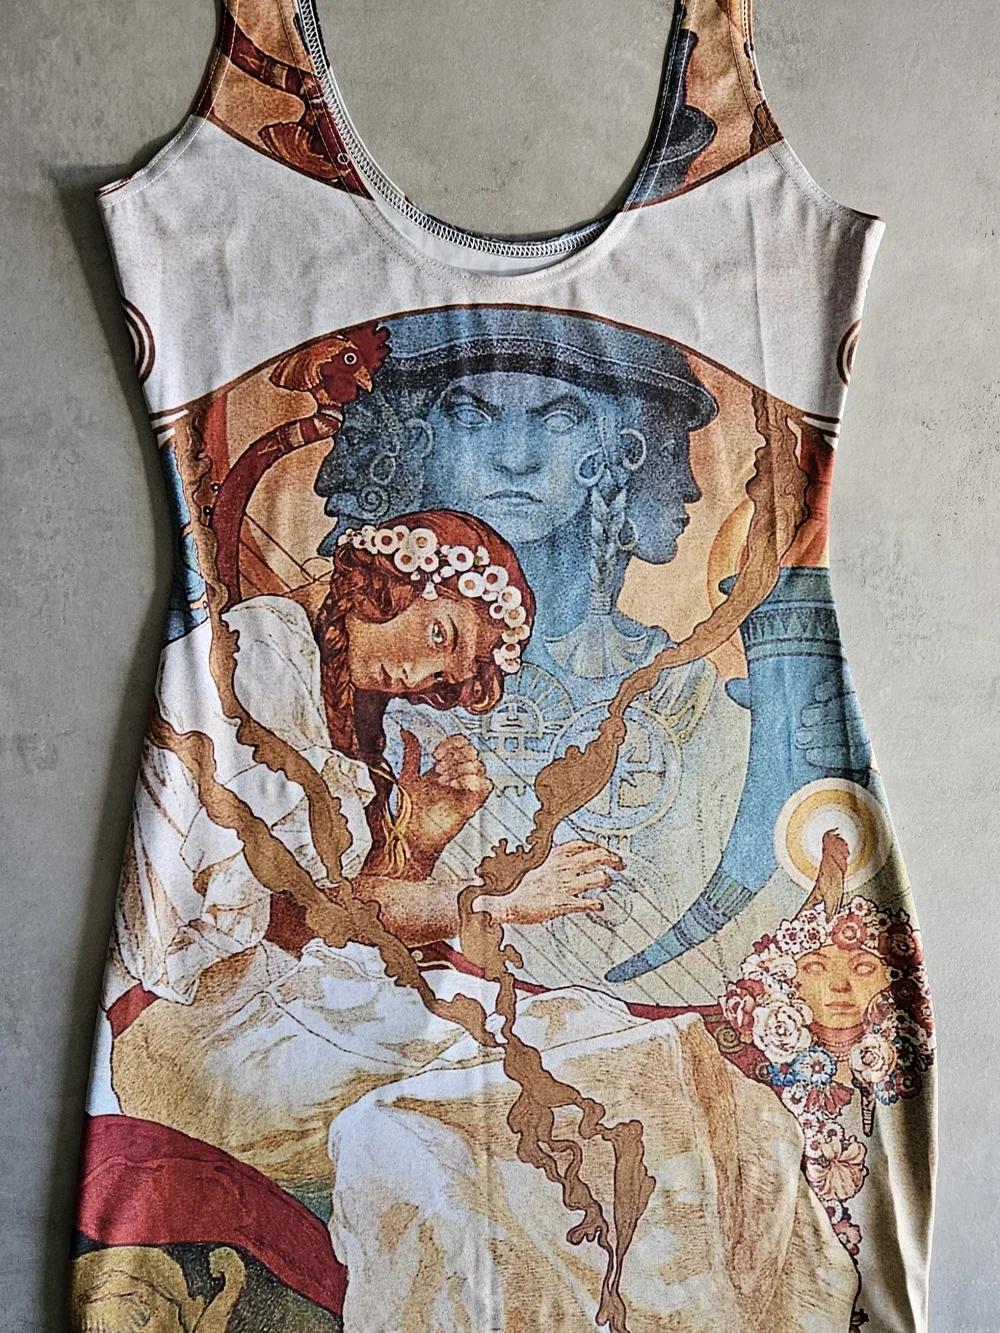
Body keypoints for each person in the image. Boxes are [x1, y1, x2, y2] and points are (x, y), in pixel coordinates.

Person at [99, 507, 858, 1331]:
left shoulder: (352, 716)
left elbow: (349, 910)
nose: (428, 672)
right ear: (386, 580)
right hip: (206, 1030)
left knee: (598, 1032)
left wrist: (423, 836)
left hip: (297, 996)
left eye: (450, 669)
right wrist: (493, 901)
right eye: (440, 632)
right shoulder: (264, 654)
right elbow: (309, 912)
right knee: (467, 1107)